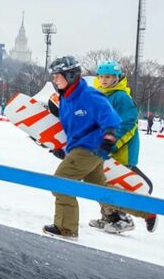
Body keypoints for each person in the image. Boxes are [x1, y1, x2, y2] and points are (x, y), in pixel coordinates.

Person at [41, 55, 122, 240]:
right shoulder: (66, 99)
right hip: (81, 147)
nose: (54, 80)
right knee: (100, 188)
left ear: (69, 76)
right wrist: (62, 149)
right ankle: (145, 210)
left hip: (91, 147)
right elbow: (72, 129)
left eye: (57, 76)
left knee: (60, 182)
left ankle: (65, 228)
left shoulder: (88, 94)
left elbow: (109, 117)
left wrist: (108, 137)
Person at [89, 60, 157, 234]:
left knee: (114, 184)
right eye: (101, 76)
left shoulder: (121, 97)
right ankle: (109, 218)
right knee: (103, 181)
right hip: (104, 147)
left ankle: (124, 218)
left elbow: (128, 123)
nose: (104, 80)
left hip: (121, 150)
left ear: (117, 78)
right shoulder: (100, 94)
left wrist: (112, 144)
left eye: (109, 77)